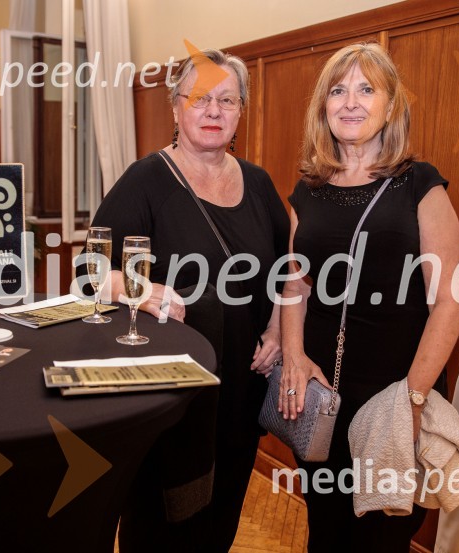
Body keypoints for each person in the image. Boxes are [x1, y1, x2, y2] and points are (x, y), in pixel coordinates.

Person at [88, 48, 289, 552]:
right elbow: (91, 272)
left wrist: (278, 329)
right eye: (200, 98)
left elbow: (291, 268)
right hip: (171, 396)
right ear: (176, 107)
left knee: (221, 523)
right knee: (160, 530)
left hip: (241, 389)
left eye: (227, 100)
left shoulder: (259, 183)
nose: (214, 110)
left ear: (241, 112)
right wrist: (141, 289)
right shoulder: (146, 180)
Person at [279, 43, 459, 552]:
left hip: (394, 397)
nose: (351, 102)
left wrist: (414, 398)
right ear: (323, 106)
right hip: (321, 397)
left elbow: (448, 302)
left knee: (383, 536)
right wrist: (293, 356)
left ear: (391, 104)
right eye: (338, 90)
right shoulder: (308, 191)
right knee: (326, 528)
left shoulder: (420, 185)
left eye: (366, 89)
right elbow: (294, 286)